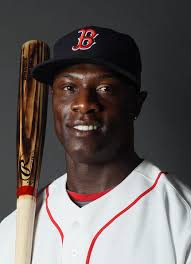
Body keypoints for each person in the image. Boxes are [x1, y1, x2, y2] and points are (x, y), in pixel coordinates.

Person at [0, 25, 191, 263]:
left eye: (105, 89)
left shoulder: (181, 221)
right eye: (69, 88)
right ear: (53, 101)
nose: (83, 103)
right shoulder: (12, 232)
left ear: (136, 104)